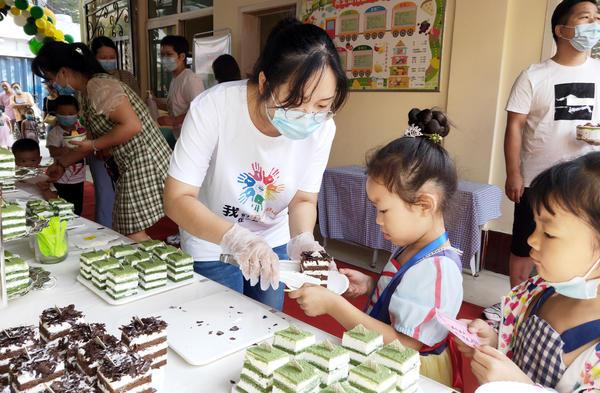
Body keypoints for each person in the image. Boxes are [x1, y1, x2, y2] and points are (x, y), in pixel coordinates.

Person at [164, 18, 348, 310]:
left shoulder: (322, 127)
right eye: (296, 102)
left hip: (273, 238)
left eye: (323, 105)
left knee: (267, 324)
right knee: (221, 328)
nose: (309, 114)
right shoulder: (214, 107)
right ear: (265, 83)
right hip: (211, 241)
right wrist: (235, 238)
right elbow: (177, 199)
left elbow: (303, 198)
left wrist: (303, 240)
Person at [289, 108, 464, 388]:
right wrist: (373, 287)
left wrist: (335, 306)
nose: (377, 220)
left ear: (425, 205)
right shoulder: (414, 247)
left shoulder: (437, 268)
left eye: (383, 210)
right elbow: (406, 299)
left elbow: (404, 345)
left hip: (410, 374)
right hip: (384, 365)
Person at [456, 152, 600, 392]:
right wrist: (490, 342)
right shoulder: (535, 291)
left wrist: (519, 387)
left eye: (550, 233)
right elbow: (515, 348)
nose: (531, 240)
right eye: (535, 225)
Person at [504, 0, 600, 289]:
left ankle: (569, 307)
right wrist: (513, 173)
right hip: (536, 179)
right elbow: (515, 126)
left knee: (581, 246)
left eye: (597, 18)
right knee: (525, 246)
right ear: (562, 29)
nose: (594, 25)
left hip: (588, 181)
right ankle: (517, 306)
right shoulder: (534, 76)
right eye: (586, 18)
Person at [34, 41, 171, 241]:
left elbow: (132, 126)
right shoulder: (87, 91)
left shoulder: (99, 86)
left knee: (131, 230)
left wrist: (96, 145)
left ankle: (160, 269)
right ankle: (158, 267)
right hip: (133, 163)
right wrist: (62, 164)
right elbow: (90, 139)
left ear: (63, 72)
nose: (51, 84)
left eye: (50, 78)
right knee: (128, 228)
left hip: (144, 161)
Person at [154, 35, 204, 138]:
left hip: (193, 138)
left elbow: (200, 110)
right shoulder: (175, 79)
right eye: (162, 55)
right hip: (180, 137)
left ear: (182, 57)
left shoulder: (190, 79)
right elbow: (177, 105)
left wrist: (174, 120)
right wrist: (155, 103)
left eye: (169, 54)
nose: (164, 59)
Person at [46, 95, 86, 215]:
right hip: (61, 178)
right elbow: (53, 151)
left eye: (70, 113)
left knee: (77, 206)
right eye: (62, 114)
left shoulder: (81, 130)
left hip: (78, 178)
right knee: (63, 205)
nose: (67, 116)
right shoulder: (55, 133)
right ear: (56, 114)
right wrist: (70, 149)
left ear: (77, 113)